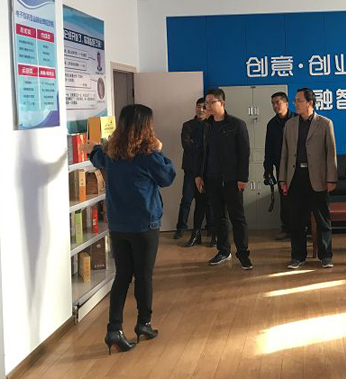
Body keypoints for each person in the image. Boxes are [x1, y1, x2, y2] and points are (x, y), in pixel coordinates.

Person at [83, 104, 176, 354]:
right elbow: (168, 177)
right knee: (143, 276)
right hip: (144, 225)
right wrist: (159, 151)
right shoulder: (149, 156)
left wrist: (92, 148)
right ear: (145, 127)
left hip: (118, 225)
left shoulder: (111, 154)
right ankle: (144, 324)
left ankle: (114, 329)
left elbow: (96, 157)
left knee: (123, 275)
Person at [279, 88, 338, 269]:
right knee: (296, 220)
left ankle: (325, 256)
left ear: (310, 103)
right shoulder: (290, 124)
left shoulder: (325, 123)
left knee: (322, 219)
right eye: (295, 100)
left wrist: (331, 178)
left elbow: (331, 153)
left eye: (299, 100)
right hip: (295, 176)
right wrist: (282, 178)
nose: (295, 104)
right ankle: (298, 256)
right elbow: (285, 153)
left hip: (317, 177)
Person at [195, 88, 253, 270]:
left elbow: (244, 153)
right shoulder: (205, 126)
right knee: (218, 216)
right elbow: (200, 152)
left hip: (232, 179)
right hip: (211, 178)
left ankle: (243, 254)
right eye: (206, 102)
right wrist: (198, 175)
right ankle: (223, 251)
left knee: (237, 217)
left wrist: (242, 177)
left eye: (212, 102)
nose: (208, 106)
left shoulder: (237, 124)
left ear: (222, 103)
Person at [175, 97, 214, 247]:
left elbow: (211, 147)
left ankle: (210, 228)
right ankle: (181, 228)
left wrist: (197, 144)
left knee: (208, 201)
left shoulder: (211, 125)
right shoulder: (188, 125)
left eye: (204, 107)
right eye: (198, 106)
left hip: (207, 170)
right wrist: (200, 147)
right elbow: (187, 145)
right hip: (191, 169)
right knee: (186, 199)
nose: (201, 110)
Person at [263, 92, 295, 241]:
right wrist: (267, 170)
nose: (275, 106)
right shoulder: (272, 124)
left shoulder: (296, 120)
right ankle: (286, 228)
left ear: (286, 104)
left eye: (278, 102)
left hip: (297, 166)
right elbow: (268, 149)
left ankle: (303, 228)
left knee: (300, 198)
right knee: (284, 198)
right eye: (273, 103)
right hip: (281, 167)